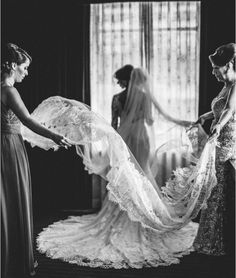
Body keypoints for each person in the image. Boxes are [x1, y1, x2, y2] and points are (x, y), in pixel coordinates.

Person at [34, 68, 203, 269]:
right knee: (142, 176)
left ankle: (124, 213)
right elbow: (150, 120)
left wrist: (111, 142)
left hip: (125, 140)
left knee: (126, 175)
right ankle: (145, 214)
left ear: (125, 79)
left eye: (120, 80)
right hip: (142, 140)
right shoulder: (144, 97)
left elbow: (114, 124)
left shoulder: (116, 99)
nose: (118, 84)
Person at [1, 43, 71, 278]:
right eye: (24, 67)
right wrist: (53, 135)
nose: (27, 73)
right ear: (12, 66)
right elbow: (28, 121)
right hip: (8, 149)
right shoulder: (8, 90)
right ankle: (12, 262)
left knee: (4, 201)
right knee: (12, 198)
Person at [193, 43, 236, 256]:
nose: (212, 72)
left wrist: (219, 124)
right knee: (215, 190)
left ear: (227, 65)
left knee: (218, 190)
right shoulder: (226, 86)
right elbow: (219, 107)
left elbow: (229, 109)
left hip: (228, 143)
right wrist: (206, 117)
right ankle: (213, 238)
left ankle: (219, 241)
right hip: (219, 141)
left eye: (215, 67)